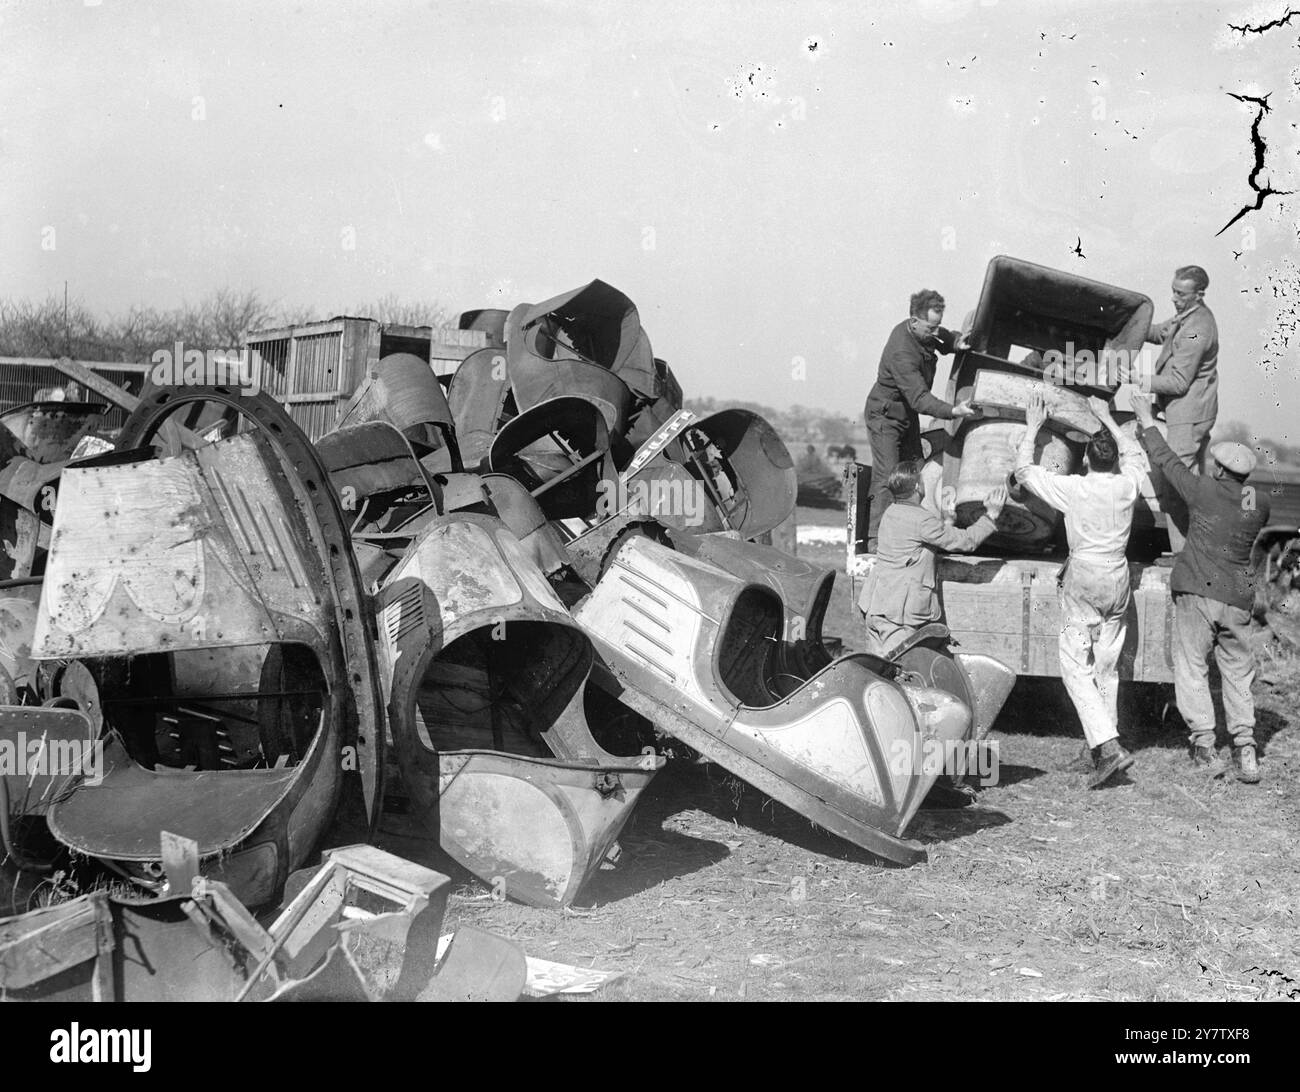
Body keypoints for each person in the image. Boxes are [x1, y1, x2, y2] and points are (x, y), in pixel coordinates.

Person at [1129, 389, 1268, 782]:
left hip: (1199, 593)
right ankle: (1245, 748)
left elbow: (1169, 463)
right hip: (1237, 598)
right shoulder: (1257, 503)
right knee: (1237, 674)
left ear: (1221, 471)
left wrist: (1145, 420)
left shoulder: (1204, 490)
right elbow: (1236, 505)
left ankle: (1204, 745)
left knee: (1191, 667)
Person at [1014, 391, 1146, 788]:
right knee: (1107, 665)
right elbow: (1135, 454)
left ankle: (1106, 747)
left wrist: (1033, 427)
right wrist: (1108, 418)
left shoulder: (1074, 489)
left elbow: (1023, 472)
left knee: (1075, 667)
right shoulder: (1127, 486)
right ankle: (1105, 750)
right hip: (1118, 577)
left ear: (1087, 459)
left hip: (1085, 577)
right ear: (1115, 460)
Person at [863, 289, 977, 551]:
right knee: (889, 476)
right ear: (914, 321)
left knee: (917, 468)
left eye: (938, 325)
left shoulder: (922, 331)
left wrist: (955, 342)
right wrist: (954, 411)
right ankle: (875, 542)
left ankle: (916, 530)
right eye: (931, 327)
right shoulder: (901, 352)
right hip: (885, 416)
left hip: (905, 414)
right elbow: (920, 399)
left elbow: (941, 336)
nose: (936, 332)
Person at [858, 460, 1005, 655]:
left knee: (877, 673)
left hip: (877, 607)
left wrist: (947, 523)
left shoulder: (891, 513)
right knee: (897, 671)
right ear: (918, 487)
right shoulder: (922, 520)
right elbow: (966, 541)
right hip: (898, 618)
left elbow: (921, 543)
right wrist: (990, 516)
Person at [1136, 265, 1219, 555]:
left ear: (1199, 294)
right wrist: (1128, 325)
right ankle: (1197, 553)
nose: (1174, 298)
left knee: (1176, 487)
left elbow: (1179, 382)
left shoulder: (1198, 328)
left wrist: (1136, 378)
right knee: (1190, 487)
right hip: (1188, 412)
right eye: (1173, 290)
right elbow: (1161, 332)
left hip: (1189, 415)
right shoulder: (1187, 314)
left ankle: (1185, 559)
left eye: (1181, 294)